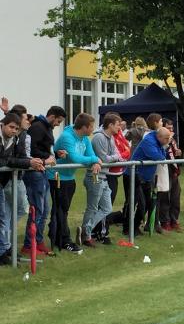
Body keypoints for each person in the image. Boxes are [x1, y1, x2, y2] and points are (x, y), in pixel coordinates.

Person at [50, 113, 101, 253]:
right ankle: (64, 241)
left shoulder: (85, 138)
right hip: (56, 176)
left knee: (63, 210)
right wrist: (94, 160)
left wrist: (95, 160)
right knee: (60, 210)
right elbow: (74, 157)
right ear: (84, 127)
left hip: (69, 177)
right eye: (91, 127)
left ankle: (55, 237)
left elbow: (91, 154)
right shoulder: (67, 137)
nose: (93, 129)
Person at [0, 113, 45, 265]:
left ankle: (5, 249)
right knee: (4, 217)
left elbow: (18, 157)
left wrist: (32, 161)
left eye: (16, 128)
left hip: (2, 183)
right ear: (3, 124)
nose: (14, 130)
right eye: (11, 127)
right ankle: (5, 249)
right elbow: (4, 161)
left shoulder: (15, 138)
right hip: (5, 182)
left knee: (4, 217)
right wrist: (28, 163)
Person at [22, 106, 67, 256]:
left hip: (42, 172)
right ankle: (29, 245)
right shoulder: (37, 127)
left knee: (44, 210)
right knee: (37, 210)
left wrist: (56, 155)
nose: (58, 124)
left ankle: (38, 242)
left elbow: (45, 150)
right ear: (52, 116)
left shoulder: (46, 127)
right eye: (58, 121)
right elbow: (31, 151)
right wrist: (47, 158)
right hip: (34, 173)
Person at [83, 113, 123, 246]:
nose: (120, 128)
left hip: (104, 177)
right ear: (110, 125)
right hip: (95, 177)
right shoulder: (99, 137)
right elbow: (105, 159)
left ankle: (86, 229)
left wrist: (114, 157)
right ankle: (86, 234)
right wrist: (114, 158)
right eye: (118, 125)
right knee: (92, 207)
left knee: (107, 208)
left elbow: (117, 154)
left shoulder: (111, 137)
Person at [123, 127, 171, 235]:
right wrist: (162, 155)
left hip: (146, 178)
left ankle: (135, 227)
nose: (168, 141)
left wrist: (162, 154)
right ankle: (127, 229)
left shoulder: (158, 141)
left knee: (148, 204)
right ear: (159, 137)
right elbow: (157, 156)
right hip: (134, 175)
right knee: (135, 204)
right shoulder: (148, 141)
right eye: (166, 138)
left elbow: (163, 155)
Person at [157, 119, 183, 232]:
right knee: (165, 196)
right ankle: (165, 221)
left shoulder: (173, 140)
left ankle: (174, 220)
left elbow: (175, 152)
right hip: (164, 168)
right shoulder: (161, 140)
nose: (171, 130)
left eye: (172, 128)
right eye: (169, 128)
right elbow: (162, 152)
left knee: (176, 196)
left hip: (174, 169)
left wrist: (178, 152)